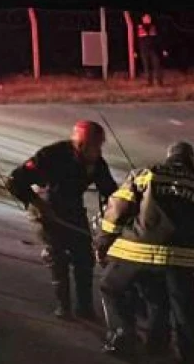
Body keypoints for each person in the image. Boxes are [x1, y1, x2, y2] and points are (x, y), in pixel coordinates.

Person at [94, 141, 194, 364]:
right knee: (181, 305)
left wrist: (103, 241)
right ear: (191, 161)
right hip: (178, 259)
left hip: (135, 252)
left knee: (111, 287)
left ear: (169, 156)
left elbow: (118, 209)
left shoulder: (145, 173)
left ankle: (121, 337)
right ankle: (185, 354)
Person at [7, 121, 118, 319]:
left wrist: (113, 214)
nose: (99, 150)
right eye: (96, 145)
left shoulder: (97, 164)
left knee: (84, 257)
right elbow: (14, 180)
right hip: (45, 207)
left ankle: (84, 308)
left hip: (73, 208)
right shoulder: (51, 155)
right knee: (58, 257)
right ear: (82, 145)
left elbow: (109, 191)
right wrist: (39, 205)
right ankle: (63, 306)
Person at [136, 13, 162, 86]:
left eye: (149, 18)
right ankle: (149, 82)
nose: (148, 19)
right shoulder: (139, 27)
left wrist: (162, 49)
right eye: (146, 18)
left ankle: (159, 82)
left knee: (157, 65)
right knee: (146, 67)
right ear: (143, 19)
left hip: (153, 50)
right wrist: (135, 51)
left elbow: (158, 39)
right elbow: (136, 40)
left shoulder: (154, 27)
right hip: (143, 50)